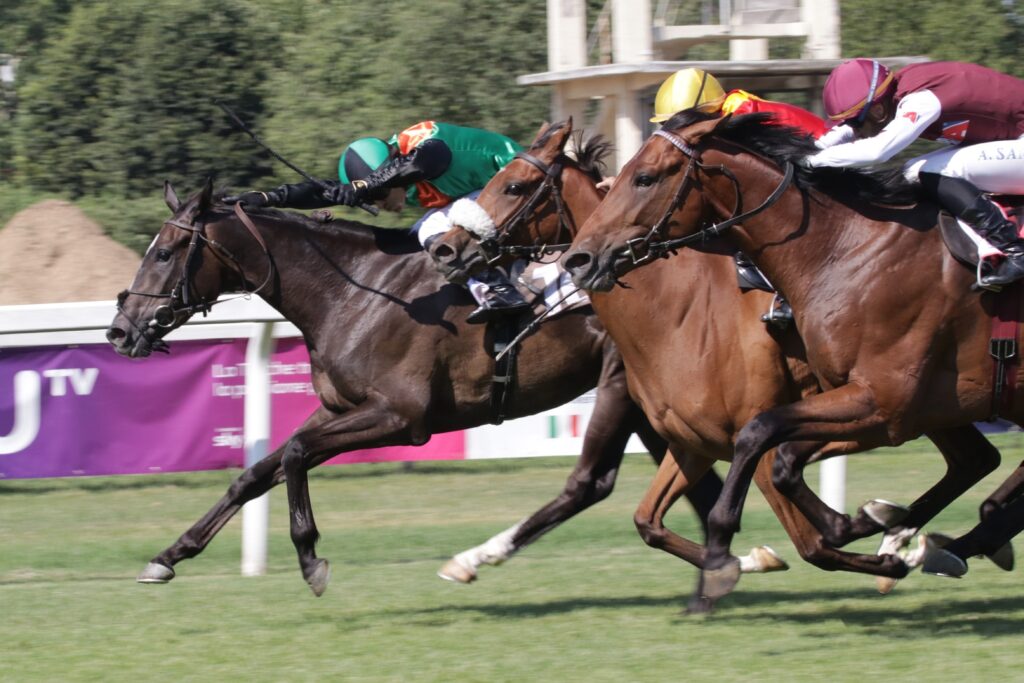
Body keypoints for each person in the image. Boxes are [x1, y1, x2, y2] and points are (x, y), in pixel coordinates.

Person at [226, 120, 532, 323]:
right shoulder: (388, 167)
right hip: (498, 193)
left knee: (430, 228)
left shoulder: (421, 146)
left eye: (379, 196)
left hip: (523, 181)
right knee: (418, 234)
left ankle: (501, 292)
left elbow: (429, 159)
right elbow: (324, 192)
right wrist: (269, 198)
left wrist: (366, 186)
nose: (380, 205)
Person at [805, 58, 1024, 287]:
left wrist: (812, 161)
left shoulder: (920, 101)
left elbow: (879, 151)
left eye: (856, 123)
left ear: (879, 110)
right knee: (912, 172)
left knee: (929, 169)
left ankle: (1015, 250)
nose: (854, 131)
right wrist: (808, 150)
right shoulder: (898, 92)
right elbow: (844, 132)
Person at [635, 68, 827, 328]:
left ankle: (790, 298)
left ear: (705, 112)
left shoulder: (738, 115)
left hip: (826, 159)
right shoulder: (720, 114)